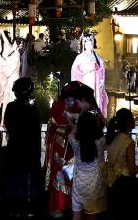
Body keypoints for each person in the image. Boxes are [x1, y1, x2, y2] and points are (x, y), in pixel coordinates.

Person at [1, 76, 43, 218]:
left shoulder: (11, 107)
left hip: (15, 148)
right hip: (30, 150)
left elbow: (7, 124)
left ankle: (14, 208)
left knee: (14, 178)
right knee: (30, 179)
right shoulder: (33, 110)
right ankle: (30, 207)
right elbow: (36, 132)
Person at [45, 81, 83, 218]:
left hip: (74, 148)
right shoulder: (57, 109)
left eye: (73, 98)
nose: (70, 102)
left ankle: (73, 205)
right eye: (68, 99)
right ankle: (59, 206)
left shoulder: (81, 109)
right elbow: (52, 131)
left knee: (74, 177)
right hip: (59, 148)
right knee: (59, 177)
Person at [67, 107, 108, 219]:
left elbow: (72, 133)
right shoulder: (100, 142)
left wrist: (80, 119)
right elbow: (110, 132)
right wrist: (101, 117)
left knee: (76, 217)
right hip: (95, 187)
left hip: (78, 186)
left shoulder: (74, 141)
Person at [105, 108, 138, 219]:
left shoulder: (112, 138)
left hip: (110, 180)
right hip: (123, 182)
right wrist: (137, 170)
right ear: (129, 122)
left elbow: (112, 159)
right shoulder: (128, 142)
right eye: (133, 119)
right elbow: (130, 170)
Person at [70, 32, 109, 117]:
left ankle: (97, 117)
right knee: (86, 98)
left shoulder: (97, 56)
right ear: (84, 44)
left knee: (95, 98)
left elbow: (102, 69)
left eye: (91, 42)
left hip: (95, 81)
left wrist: (99, 78)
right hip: (85, 80)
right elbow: (74, 70)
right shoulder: (80, 57)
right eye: (87, 43)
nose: (89, 45)